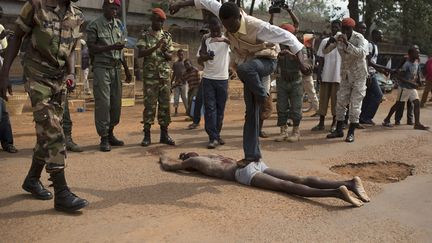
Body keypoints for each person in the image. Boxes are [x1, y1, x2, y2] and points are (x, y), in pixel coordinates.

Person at [170, 0, 311, 164]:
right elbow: (206, 1)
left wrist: (301, 62)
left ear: (239, 17)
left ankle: (264, 98)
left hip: (266, 61)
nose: (229, 29)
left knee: (244, 70)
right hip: (249, 63)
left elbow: (290, 38)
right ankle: (252, 155)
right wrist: (180, 4)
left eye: (232, 26)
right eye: (226, 26)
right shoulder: (224, 12)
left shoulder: (257, 26)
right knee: (251, 113)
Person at [0, 0, 88, 212]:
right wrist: (4, 76)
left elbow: (71, 48)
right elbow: (17, 38)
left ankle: (32, 179)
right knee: (53, 130)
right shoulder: (36, 5)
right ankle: (62, 193)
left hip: (59, 80)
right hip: (37, 76)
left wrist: (70, 73)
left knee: (45, 133)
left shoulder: (77, 15)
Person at [159, 152, 370, 207]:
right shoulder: (199, 161)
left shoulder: (202, 160)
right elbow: (176, 166)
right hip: (252, 164)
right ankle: (349, 183)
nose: (188, 154)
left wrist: (163, 158)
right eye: (187, 155)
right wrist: (169, 160)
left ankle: (338, 190)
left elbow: (171, 165)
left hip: (244, 172)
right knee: (298, 178)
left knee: (288, 185)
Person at [86, 0, 132, 152]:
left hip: (116, 68)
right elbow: (91, 48)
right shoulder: (94, 25)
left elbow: (121, 49)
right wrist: (111, 47)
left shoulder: (119, 24)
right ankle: (104, 138)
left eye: (116, 8)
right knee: (103, 104)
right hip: (102, 68)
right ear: (104, 7)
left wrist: (126, 69)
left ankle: (111, 133)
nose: (114, 11)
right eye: (111, 8)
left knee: (116, 104)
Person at [325, 18, 368, 143]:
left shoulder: (359, 38)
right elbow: (325, 51)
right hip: (345, 75)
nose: (345, 31)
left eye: (347, 29)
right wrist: (330, 42)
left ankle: (351, 132)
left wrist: (347, 44)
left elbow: (361, 53)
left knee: (355, 105)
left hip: (359, 76)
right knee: (340, 102)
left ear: (352, 29)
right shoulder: (338, 37)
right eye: (343, 29)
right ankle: (339, 130)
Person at [137, 8, 175, 147]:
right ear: (152, 19)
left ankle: (164, 135)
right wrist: (156, 47)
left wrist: (165, 51)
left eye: (162, 21)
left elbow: (170, 57)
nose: (159, 23)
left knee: (165, 106)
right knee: (149, 106)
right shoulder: (144, 35)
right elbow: (140, 54)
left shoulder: (167, 36)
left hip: (164, 76)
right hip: (150, 77)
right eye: (158, 20)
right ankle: (147, 136)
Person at [197, 16, 230, 149]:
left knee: (220, 109)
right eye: (213, 30)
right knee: (210, 109)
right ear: (210, 29)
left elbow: (237, 46)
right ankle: (213, 137)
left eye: (217, 29)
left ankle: (217, 134)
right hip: (209, 79)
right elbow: (200, 59)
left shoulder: (227, 40)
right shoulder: (206, 39)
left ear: (221, 27)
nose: (215, 32)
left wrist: (224, 39)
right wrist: (206, 57)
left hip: (223, 79)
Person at [274, 24, 307, 143]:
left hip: (296, 81)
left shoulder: (300, 48)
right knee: (281, 106)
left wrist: (293, 57)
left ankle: (296, 131)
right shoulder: (277, 47)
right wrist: (278, 57)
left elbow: (305, 67)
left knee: (296, 107)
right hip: (282, 80)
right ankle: (283, 131)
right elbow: (272, 64)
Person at [382, 47, 429, 130]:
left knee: (417, 102)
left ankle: (417, 123)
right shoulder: (406, 64)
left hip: (411, 88)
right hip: (404, 88)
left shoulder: (416, 62)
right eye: (416, 53)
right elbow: (399, 77)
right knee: (398, 104)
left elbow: (417, 74)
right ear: (410, 54)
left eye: (418, 52)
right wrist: (411, 83)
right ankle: (386, 119)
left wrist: (419, 81)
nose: (418, 54)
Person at [312, 20, 342, 132]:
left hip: (338, 77)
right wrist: (319, 74)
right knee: (323, 101)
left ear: (340, 28)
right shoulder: (325, 41)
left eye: (337, 27)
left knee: (336, 102)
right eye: (333, 27)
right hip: (326, 75)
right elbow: (320, 58)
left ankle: (334, 123)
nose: (335, 29)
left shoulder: (344, 42)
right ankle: (321, 123)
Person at [359, 29, 392, 125]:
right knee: (378, 96)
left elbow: (373, 64)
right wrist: (386, 68)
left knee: (368, 97)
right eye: (380, 35)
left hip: (372, 74)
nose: (382, 36)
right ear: (375, 35)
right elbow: (369, 62)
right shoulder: (370, 45)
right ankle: (366, 117)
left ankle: (362, 117)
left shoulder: (375, 46)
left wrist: (382, 71)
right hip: (368, 75)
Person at [0, 7, 17, 154]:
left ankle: (7, 142)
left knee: (3, 112)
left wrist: (12, 41)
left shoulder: (0, 27)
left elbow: (4, 54)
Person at [171, 49, 188, 116]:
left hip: (184, 83)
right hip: (177, 83)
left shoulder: (186, 63)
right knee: (176, 98)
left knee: (184, 97)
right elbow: (174, 73)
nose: (181, 56)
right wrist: (171, 81)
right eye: (180, 54)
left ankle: (187, 110)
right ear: (177, 55)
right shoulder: (175, 64)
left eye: (182, 54)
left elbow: (188, 72)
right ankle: (175, 112)